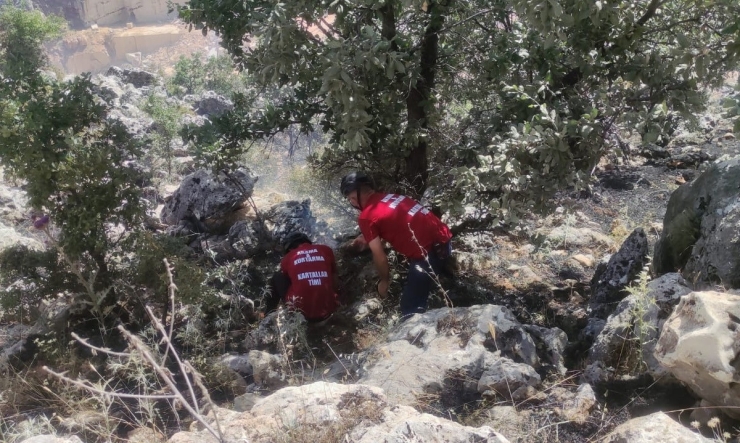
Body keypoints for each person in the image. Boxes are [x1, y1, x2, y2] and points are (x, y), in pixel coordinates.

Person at [340, 172, 453, 317]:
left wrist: (384, 281)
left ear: (355, 197)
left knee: (409, 308)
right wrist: (367, 237)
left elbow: (380, 257)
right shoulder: (391, 197)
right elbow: (394, 222)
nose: (352, 202)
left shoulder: (366, 216)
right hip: (445, 239)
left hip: (430, 253)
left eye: (351, 198)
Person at [264, 232, 340, 323]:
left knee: (277, 277)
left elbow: (288, 278)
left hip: (301, 315)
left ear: (290, 248)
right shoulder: (326, 250)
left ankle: (268, 315)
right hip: (328, 311)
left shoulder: (287, 258)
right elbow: (334, 277)